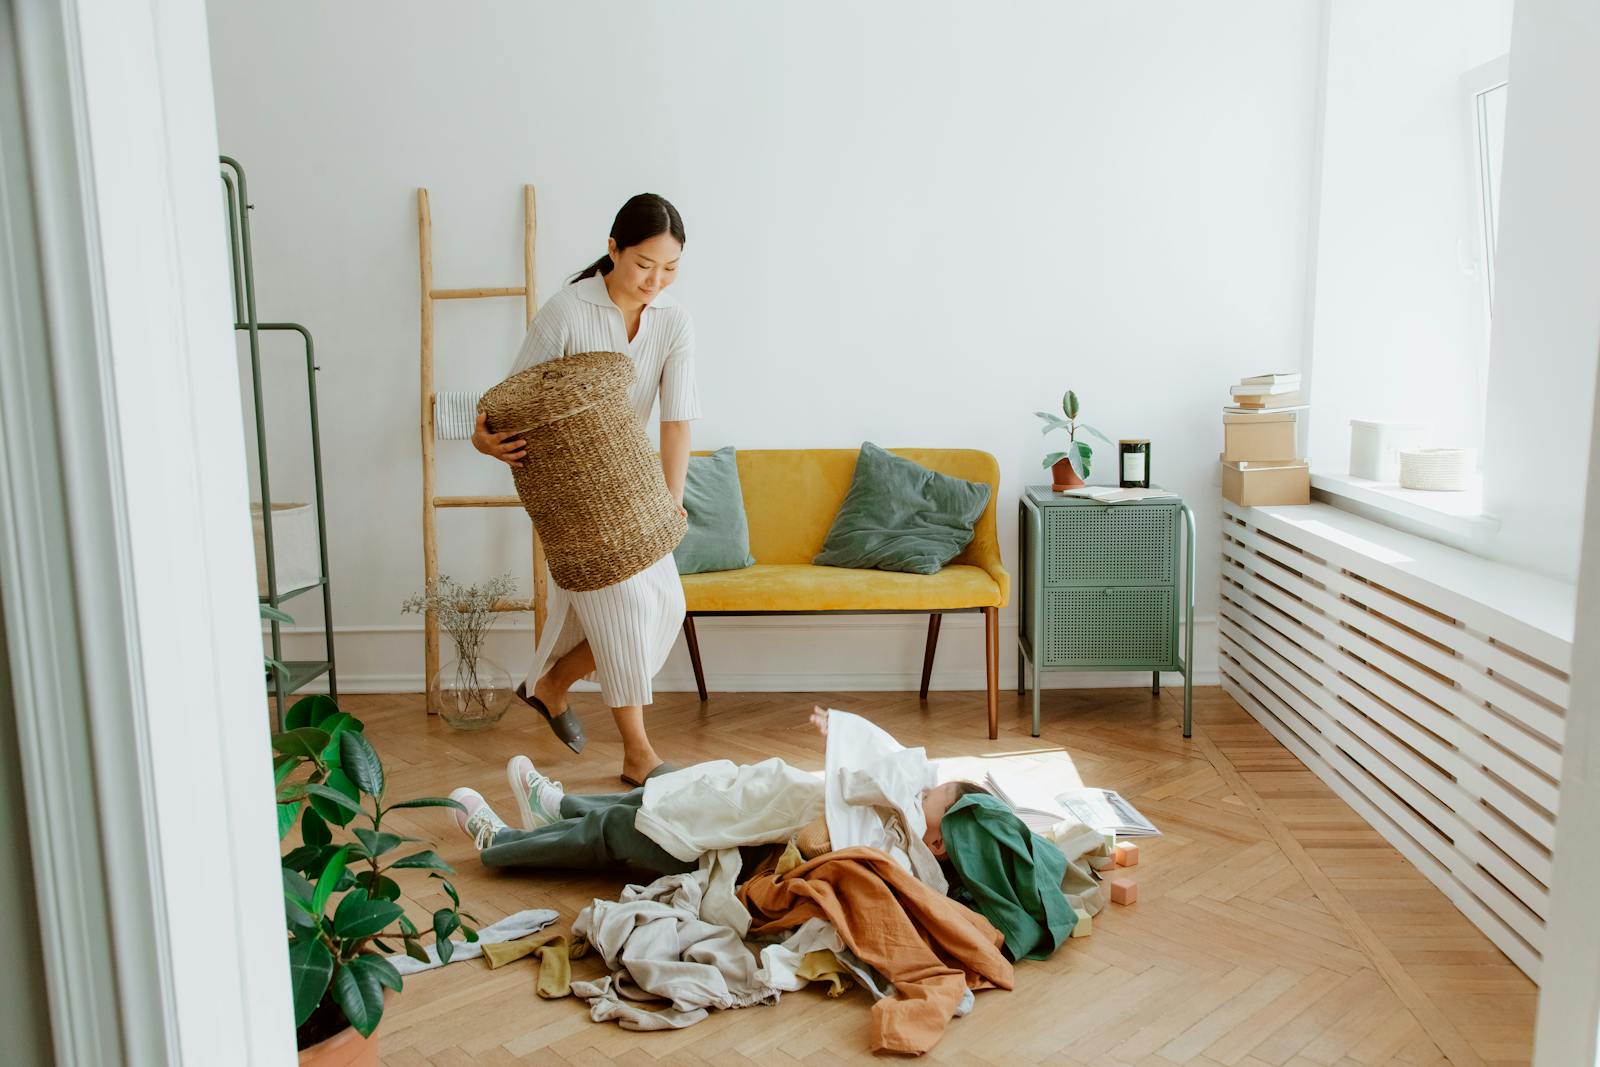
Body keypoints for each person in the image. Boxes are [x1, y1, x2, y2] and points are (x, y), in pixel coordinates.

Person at [473, 193, 696, 787]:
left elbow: (677, 421)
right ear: (613, 249)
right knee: (622, 611)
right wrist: (483, 441)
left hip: (636, 488)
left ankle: (550, 684)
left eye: (669, 268)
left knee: (666, 607)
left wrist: (671, 501)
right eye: (644, 263)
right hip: (570, 491)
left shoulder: (673, 321)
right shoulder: (567, 312)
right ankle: (638, 753)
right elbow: (506, 402)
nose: (655, 279)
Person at [448, 706, 988, 887]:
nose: (918, 794)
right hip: (751, 797)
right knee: (673, 784)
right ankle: (557, 808)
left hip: (733, 849)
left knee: (623, 829)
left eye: (929, 800)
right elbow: (882, 763)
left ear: (936, 842)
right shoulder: (899, 813)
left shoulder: (899, 861)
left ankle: (501, 843)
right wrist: (842, 734)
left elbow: (821, 846)